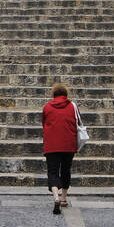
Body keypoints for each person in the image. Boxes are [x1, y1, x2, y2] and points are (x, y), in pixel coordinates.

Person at [42, 83, 79, 214]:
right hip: (69, 144)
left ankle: (55, 197)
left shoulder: (47, 107)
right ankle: (63, 198)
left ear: (54, 94)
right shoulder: (73, 107)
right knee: (65, 170)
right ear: (65, 94)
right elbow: (77, 123)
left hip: (52, 145)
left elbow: (44, 123)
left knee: (52, 172)